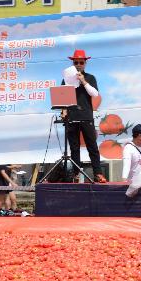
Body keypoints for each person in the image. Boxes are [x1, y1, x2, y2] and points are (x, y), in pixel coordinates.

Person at [62, 50, 106, 183]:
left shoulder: (90, 77)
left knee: (92, 146)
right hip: (72, 115)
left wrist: (83, 81)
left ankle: (98, 173)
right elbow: (63, 96)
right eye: (76, 62)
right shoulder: (67, 79)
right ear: (72, 63)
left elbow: (94, 94)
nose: (78, 65)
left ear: (85, 63)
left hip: (86, 116)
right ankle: (76, 174)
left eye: (81, 62)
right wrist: (64, 110)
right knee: (74, 147)